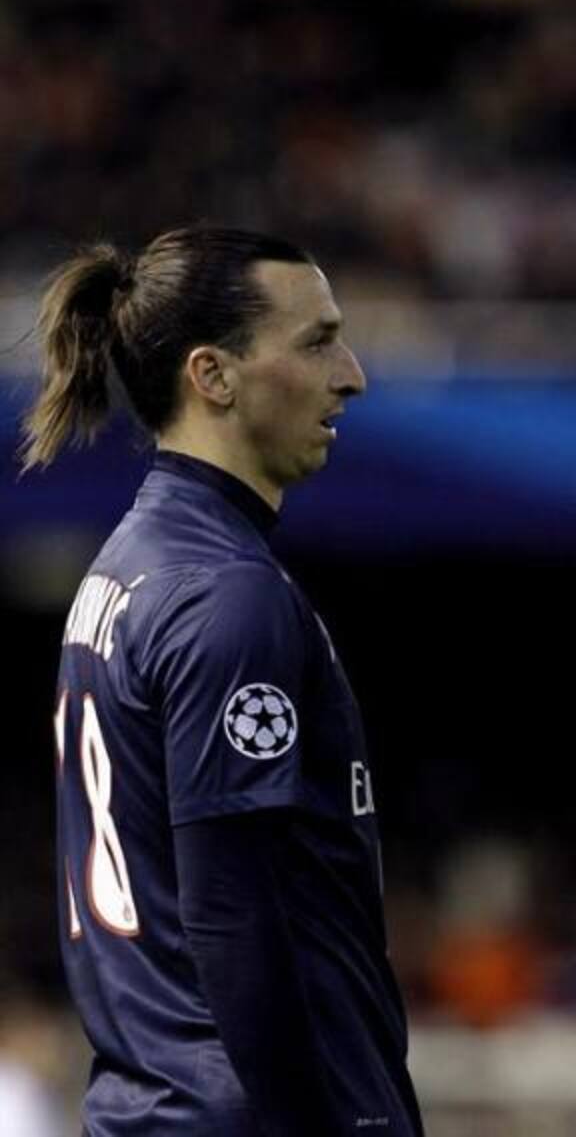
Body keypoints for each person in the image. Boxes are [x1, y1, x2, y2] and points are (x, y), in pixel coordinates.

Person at [22, 227, 424, 1137]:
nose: (352, 375)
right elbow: (230, 913)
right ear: (213, 375)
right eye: (317, 343)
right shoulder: (224, 593)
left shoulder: (127, 567)